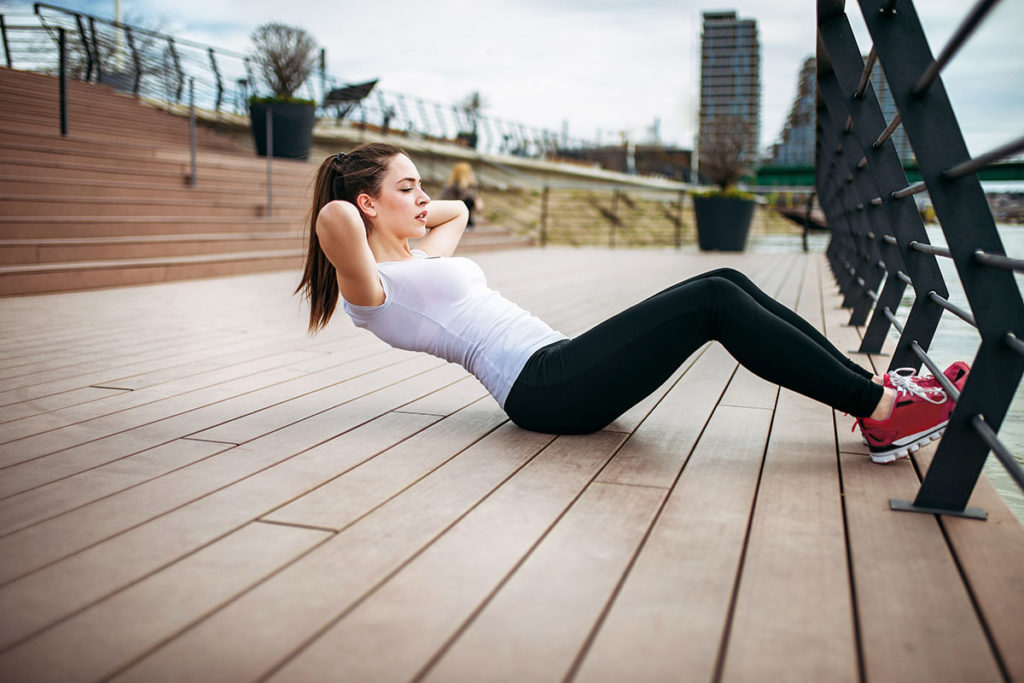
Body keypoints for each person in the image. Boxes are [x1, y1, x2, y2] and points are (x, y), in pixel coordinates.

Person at [295, 143, 966, 465]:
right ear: (366, 204)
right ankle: (881, 412)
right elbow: (334, 219)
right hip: (542, 389)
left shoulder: (419, 260)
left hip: (556, 364)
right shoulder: (372, 287)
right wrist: (360, 194)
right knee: (713, 302)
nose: (423, 199)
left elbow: (455, 209)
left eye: (420, 187)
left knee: (726, 279)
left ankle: (876, 392)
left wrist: (401, 197)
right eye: (408, 187)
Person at [440, 161, 483, 228]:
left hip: (456, 208)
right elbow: (465, 197)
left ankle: (467, 222)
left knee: (469, 201)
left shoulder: (466, 185)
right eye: (470, 172)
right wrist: (476, 199)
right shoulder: (454, 185)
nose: (472, 174)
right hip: (448, 209)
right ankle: (466, 223)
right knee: (468, 201)